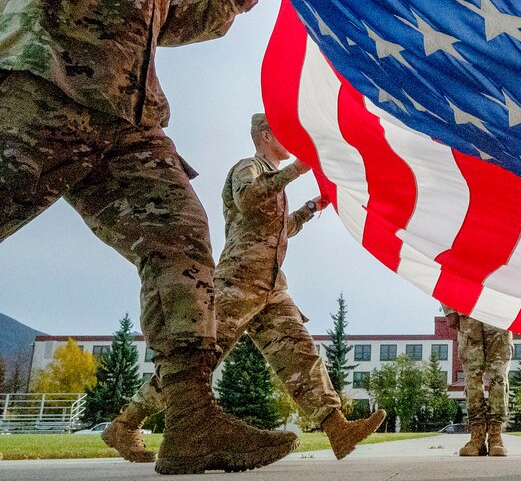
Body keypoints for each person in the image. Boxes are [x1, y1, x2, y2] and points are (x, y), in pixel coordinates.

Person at [0, 0, 296, 474]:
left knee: (181, 236)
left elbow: (164, 22)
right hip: (43, 83)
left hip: (125, 120)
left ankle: (191, 421)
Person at [105, 114, 386, 461]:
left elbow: (283, 229)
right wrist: (297, 170)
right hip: (236, 283)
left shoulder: (275, 182)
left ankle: (337, 428)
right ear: (266, 135)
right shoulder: (247, 168)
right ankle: (126, 423)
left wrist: (312, 207)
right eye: (284, 133)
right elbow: (249, 200)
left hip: (270, 287)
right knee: (197, 363)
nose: (293, 141)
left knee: (300, 356)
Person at [442, 305, 513, 456]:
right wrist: (449, 310)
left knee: (499, 377)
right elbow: (446, 280)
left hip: (499, 312)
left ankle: (495, 436)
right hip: (468, 312)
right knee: (472, 379)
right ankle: (477, 437)